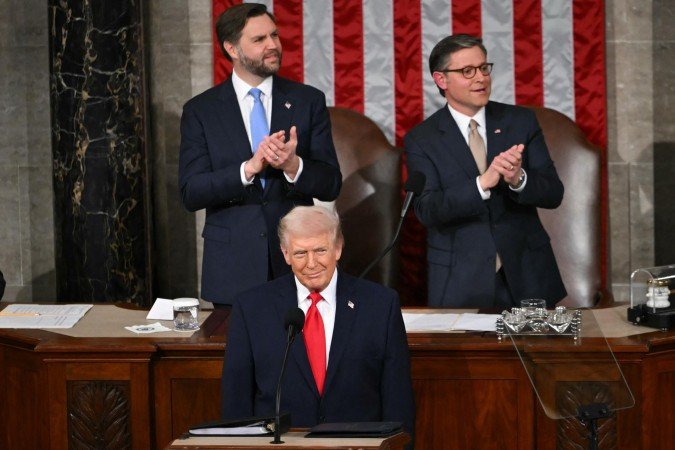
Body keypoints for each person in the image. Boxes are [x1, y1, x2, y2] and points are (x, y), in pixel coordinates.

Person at [179, 3, 342, 307]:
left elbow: (331, 183)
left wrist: (293, 166)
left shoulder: (307, 101)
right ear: (232, 48)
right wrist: (248, 169)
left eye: (274, 35)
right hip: (232, 268)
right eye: (259, 39)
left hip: (297, 264)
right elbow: (192, 192)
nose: (273, 45)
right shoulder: (201, 111)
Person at [221, 205, 415, 439]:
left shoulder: (380, 305)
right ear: (285, 253)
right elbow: (236, 402)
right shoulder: (251, 308)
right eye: (300, 253)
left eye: (320, 250)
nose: (311, 263)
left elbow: (398, 399)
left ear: (338, 248)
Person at [404, 34, 566, 308]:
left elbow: (553, 193)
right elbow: (428, 209)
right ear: (441, 80)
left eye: (483, 68)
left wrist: (518, 179)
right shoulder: (422, 139)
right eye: (467, 71)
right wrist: (482, 184)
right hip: (461, 280)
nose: (480, 78)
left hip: (527, 274)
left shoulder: (520, 121)